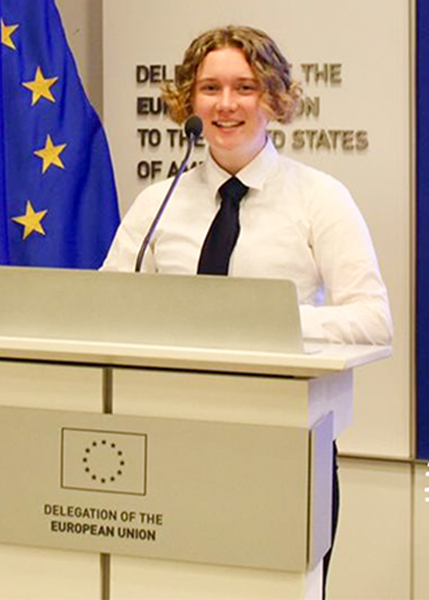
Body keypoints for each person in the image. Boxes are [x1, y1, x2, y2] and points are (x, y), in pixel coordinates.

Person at [102, 24, 393, 593]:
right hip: (168, 445)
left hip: (283, 447)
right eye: (210, 88)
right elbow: (107, 306)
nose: (226, 104)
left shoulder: (319, 198)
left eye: (246, 87)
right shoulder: (157, 202)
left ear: (275, 99)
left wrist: (262, 319)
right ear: (189, 101)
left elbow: (373, 318)